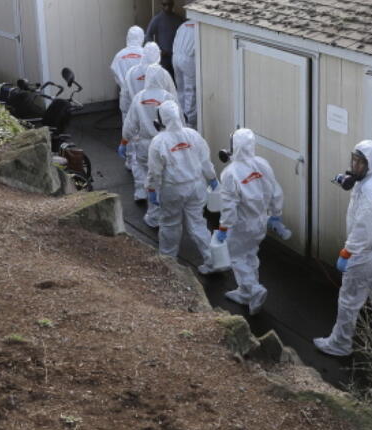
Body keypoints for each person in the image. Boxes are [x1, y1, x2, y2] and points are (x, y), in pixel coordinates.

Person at [313, 140, 372, 367]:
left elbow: (364, 227)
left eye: (361, 162)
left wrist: (347, 251)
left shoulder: (370, 192)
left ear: (371, 163)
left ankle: (340, 344)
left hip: (366, 254)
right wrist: (347, 180)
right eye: (354, 159)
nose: (355, 165)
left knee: (349, 301)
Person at [214, 128, 286, 316]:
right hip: (260, 221)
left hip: (241, 224)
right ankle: (245, 292)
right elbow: (276, 191)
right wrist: (276, 214)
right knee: (250, 255)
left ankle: (254, 290)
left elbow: (229, 206)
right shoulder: (262, 164)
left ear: (234, 147)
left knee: (236, 256)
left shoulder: (230, 173)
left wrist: (223, 227)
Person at [147, 100, 218, 272]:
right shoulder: (192, 135)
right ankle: (214, 261)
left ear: (161, 119)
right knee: (198, 224)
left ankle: (168, 263)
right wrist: (212, 178)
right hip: (196, 187)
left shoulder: (159, 141)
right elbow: (205, 162)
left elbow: (155, 171)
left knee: (170, 224)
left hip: (173, 189)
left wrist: (151, 189)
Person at [120, 64, 176, 204]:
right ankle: (159, 210)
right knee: (162, 174)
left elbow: (130, 123)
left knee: (142, 168)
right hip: (164, 143)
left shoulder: (139, 97)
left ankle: (141, 193)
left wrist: (124, 142)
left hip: (144, 143)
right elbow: (177, 120)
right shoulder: (168, 97)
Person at [144, 0, 184, 78]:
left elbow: (185, 36)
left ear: (173, 4)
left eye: (169, 4)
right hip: (164, 58)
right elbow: (148, 36)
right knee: (165, 79)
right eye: (164, 4)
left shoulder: (178, 19)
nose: (167, 6)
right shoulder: (157, 19)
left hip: (177, 57)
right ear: (161, 5)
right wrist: (157, 50)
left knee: (177, 81)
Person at [110, 25, 145, 117]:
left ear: (128, 37)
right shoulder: (146, 54)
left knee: (127, 123)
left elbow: (115, 73)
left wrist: (123, 84)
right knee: (144, 121)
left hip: (126, 95)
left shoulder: (119, 55)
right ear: (141, 37)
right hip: (143, 95)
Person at [171, 19, 197, 126]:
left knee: (180, 89)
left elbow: (175, 41)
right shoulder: (198, 26)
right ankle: (189, 121)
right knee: (190, 91)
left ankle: (179, 117)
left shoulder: (183, 25)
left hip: (176, 57)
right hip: (188, 59)